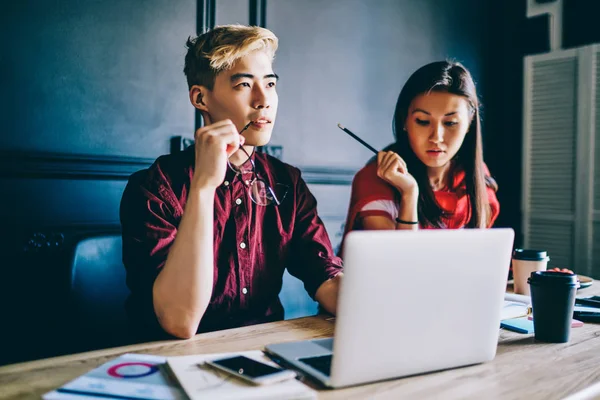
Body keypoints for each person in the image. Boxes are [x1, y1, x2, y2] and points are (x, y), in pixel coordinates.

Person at [120, 25, 343, 340]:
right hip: (169, 359)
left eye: (270, 83)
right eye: (243, 84)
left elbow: (326, 278)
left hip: (262, 355)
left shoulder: (287, 182)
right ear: (201, 97)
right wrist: (203, 187)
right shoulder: (156, 187)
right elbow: (179, 322)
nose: (263, 100)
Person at [343, 61, 499, 242]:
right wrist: (409, 193)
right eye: (423, 121)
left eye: (450, 123)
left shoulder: (476, 175)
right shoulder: (376, 178)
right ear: (404, 121)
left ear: (469, 124)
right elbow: (395, 261)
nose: (436, 137)